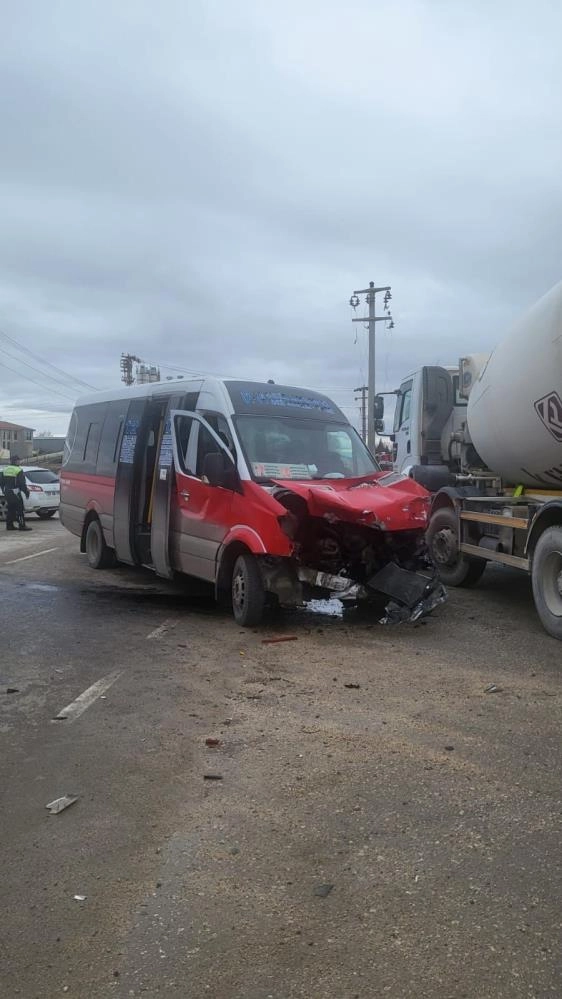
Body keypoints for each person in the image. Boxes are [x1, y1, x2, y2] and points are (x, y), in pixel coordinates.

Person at [0, 457, 32, 531]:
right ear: (16, 461)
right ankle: (22, 525)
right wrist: (26, 492)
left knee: (11, 509)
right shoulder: (18, 470)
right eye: (19, 461)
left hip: (7, 492)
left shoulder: (5, 469)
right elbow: (22, 483)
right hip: (15, 492)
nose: (19, 462)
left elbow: (1, 482)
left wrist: (4, 491)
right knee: (20, 509)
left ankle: (9, 526)